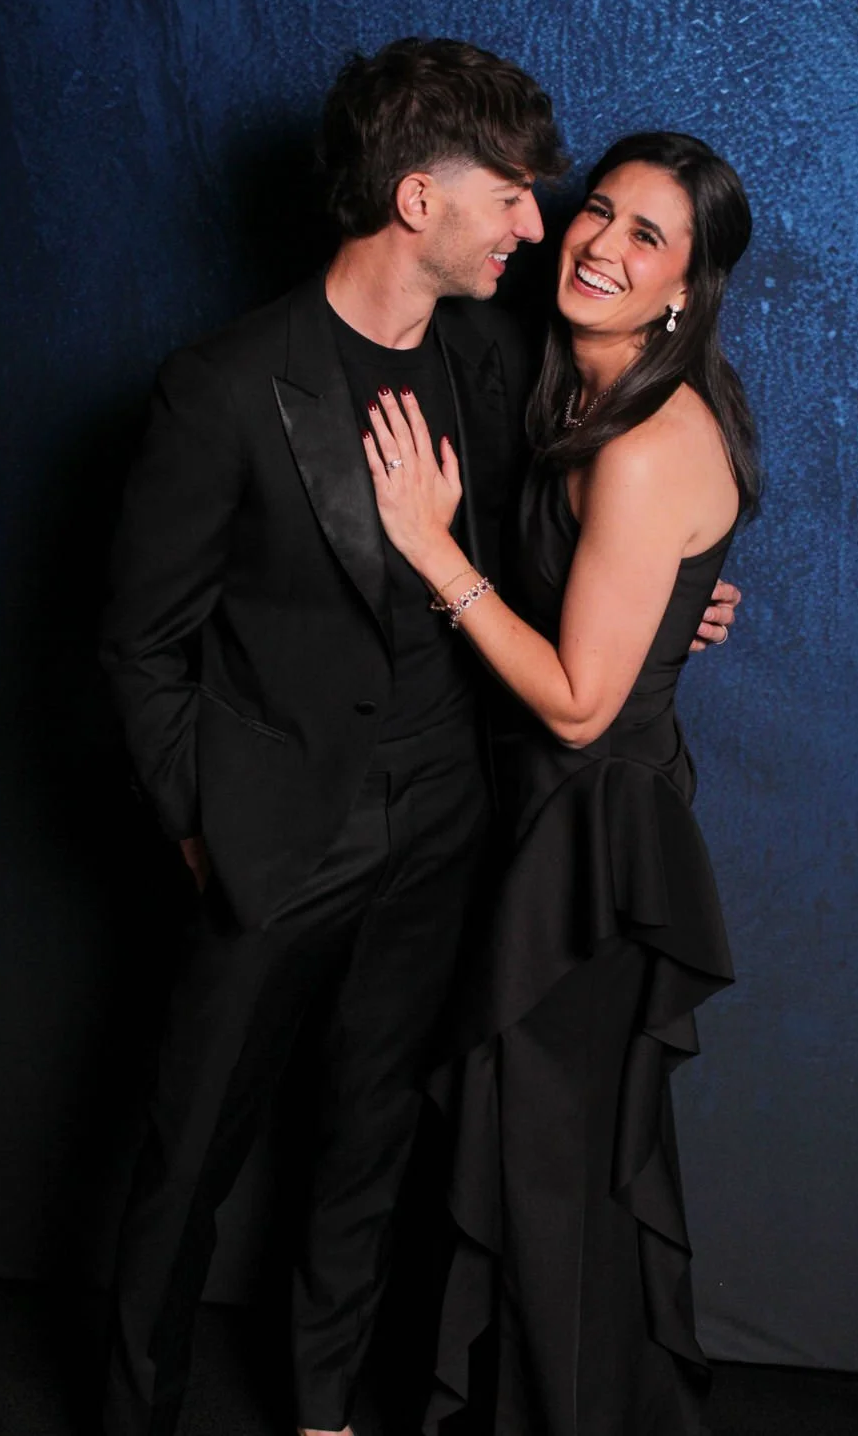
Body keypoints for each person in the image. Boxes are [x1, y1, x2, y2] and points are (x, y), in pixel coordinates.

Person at [100, 32, 740, 1436]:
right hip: (276, 837)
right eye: (514, 195)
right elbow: (141, 644)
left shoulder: (497, 359)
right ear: (417, 200)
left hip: (453, 826)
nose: (540, 225)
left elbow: (569, 543)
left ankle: (324, 1412)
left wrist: (670, 601)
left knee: (372, 1145)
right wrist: (201, 826)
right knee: (188, 1151)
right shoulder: (225, 386)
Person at [361, 130, 757, 1435]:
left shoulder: (643, 444)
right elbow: (618, 597)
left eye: (649, 236)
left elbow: (584, 703)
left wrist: (433, 551)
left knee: (549, 1178)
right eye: (599, 211)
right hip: (545, 824)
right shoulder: (574, 398)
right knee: (543, 1171)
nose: (601, 245)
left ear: (686, 288)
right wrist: (664, 601)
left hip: (589, 852)